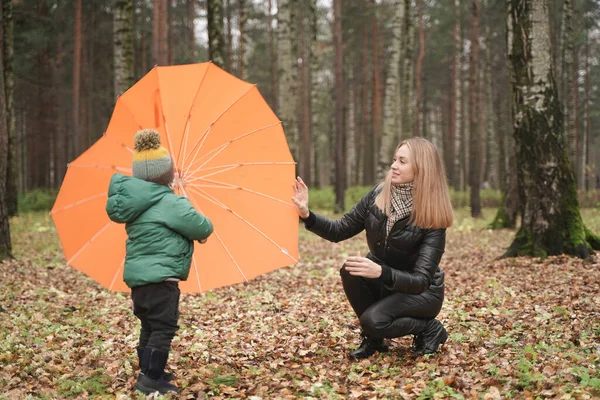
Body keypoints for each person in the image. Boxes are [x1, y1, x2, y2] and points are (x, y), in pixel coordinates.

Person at [292, 137, 453, 360]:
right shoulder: (378, 194)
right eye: (395, 159)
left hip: (421, 293)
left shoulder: (433, 215)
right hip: (388, 282)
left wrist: (381, 272)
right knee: (350, 269)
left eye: (402, 161)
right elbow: (340, 230)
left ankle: (428, 329)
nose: (394, 166)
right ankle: (375, 340)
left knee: (373, 321)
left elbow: (421, 280)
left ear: (421, 168)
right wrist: (306, 215)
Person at [106, 129, 214, 394]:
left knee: (149, 324)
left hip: (139, 280)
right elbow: (202, 227)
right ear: (167, 175)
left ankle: (148, 370)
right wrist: (182, 197)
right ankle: (150, 379)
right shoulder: (171, 202)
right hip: (162, 278)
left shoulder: (137, 203)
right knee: (164, 326)